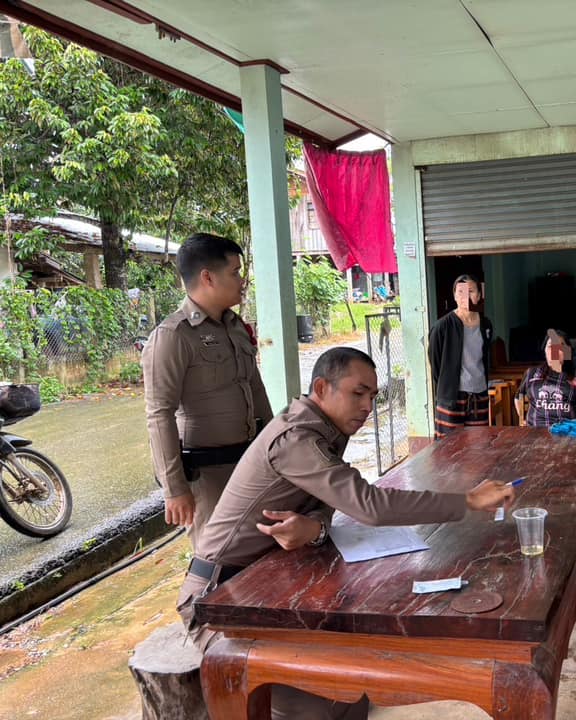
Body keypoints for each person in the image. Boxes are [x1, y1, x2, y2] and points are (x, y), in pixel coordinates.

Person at [177, 347, 515, 720]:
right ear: (322, 388)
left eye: (373, 395)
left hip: (269, 588)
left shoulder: (326, 429)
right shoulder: (295, 439)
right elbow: (368, 505)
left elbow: (328, 503)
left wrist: (316, 527)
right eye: (358, 393)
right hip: (220, 599)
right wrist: (468, 499)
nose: (368, 406)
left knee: (354, 689)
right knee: (320, 704)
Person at [142, 233, 271, 549]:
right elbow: (159, 414)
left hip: (248, 464)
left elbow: (255, 389)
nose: (242, 281)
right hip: (207, 476)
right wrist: (174, 488)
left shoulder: (235, 327)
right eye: (235, 272)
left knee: (257, 549)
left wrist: (273, 450)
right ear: (208, 278)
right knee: (216, 556)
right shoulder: (173, 336)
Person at [428, 274, 493, 439]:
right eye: (461, 292)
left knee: (479, 445)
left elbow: (484, 357)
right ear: (455, 296)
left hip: (479, 395)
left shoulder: (486, 324)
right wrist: (447, 385)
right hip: (451, 397)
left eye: (471, 291)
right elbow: (436, 364)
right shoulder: (442, 326)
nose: (466, 296)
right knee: (449, 446)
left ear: (479, 295)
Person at [514, 329, 576, 427]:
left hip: (566, 431)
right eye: (550, 346)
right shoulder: (531, 373)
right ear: (545, 351)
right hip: (536, 431)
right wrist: (523, 420)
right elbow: (518, 396)